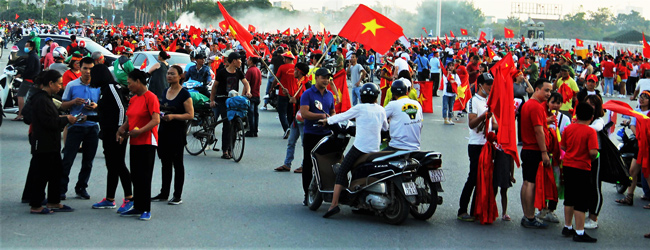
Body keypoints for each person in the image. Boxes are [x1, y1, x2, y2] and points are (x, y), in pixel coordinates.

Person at [321, 83, 388, 218]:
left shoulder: (360, 108)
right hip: (374, 150)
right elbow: (385, 128)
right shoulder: (381, 110)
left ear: (362, 96)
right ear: (376, 97)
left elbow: (342, 116)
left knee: (342, 171)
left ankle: (333, 205)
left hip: (360, 148)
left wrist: (327, 121)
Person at [27, 70, 77, 214]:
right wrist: (66, 119)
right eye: (59, 84)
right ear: (50, 83)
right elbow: (48, 122)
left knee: (56, 172)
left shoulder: (48, 98)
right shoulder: (40, 99)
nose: (61, 87)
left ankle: (54, 201)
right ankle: (36, 205)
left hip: (52, 143)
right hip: (43, 143)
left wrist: (64, 117)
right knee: (41, 174)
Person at [116, 70, 160, 221]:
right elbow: (130, 119)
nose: (128, 86)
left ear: (138, 82)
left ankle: (146, 209)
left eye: (130, 83)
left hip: (147, 141)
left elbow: (155, 120)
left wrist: (140, 131)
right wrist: (122, 128)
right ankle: (137, 206)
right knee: (135, 175)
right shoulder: (134, 99)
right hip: (134, 141)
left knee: (144, 176)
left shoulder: (151, 97)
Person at [89, 64, 133, 212]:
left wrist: (120, 130)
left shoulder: (111, 88)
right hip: (107, 133)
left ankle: (130, 198)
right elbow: (105, 114)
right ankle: (110, 199)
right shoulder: (103, 90)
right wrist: (88, 117)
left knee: (119, 164)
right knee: (111, 166)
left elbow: (121, 109)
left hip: (116, 133)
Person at [152, 65, 194, 205]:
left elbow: (190, 115)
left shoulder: (184, 94)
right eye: (168, 74)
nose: (169, 76)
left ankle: (177, 195)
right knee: (165, 163)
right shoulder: (165, 91)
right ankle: (164, 193)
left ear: (180, 76)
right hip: (163, 131)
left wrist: (174, 116)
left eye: (172, 74)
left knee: (177, 164)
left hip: (177, 132)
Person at [457, 73, 497, 222]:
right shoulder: (473, 100)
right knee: (473, 177)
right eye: (488, 85)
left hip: (488, 144)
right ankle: (462, 210)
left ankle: (475, 210)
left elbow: (493, 124)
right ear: (480, 85)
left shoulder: (489, 101)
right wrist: (485, 115)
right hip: (476, 144)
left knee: (485, 179)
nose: (490, 87)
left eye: (491, 84)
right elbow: (472, 123)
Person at [60, 57, 99, 200]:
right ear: (79, 68)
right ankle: (61, 188)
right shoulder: (71, 85)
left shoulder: (98, 86)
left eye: (91, 69)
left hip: (93, 127)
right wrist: (73, 102)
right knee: (68, 159)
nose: (88, 72)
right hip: (75, 126)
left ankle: (82, 187)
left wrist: (96, 106)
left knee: (88, 161)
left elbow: (103, 106)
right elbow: (63, 105)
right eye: (85, 68)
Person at [561, 102, 599, 243]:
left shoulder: (569, 128)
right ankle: (580, 231)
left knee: (569, 196)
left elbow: (563, 146)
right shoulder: (590, 131)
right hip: (582, 167)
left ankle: (567, 226)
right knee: (581, 200)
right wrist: (594, 156)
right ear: (591, 117)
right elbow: (593, 152)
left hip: (568, 165)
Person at [299, 68, 336, 206]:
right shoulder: (307, 94)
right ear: (317, 78)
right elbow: (304, 113)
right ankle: (307, 193)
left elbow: (333, 111)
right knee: (309, 164)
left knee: (327, 164)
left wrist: (331, 118)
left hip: (326, 134)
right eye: (323, 77)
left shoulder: (330, 95)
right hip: (311, 134)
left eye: (328, 78)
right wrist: (321, 116)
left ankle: (327, 192)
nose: (326, 80)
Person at [519, 79, 553, 229]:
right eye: (546, 90)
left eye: (550, 91)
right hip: (534, 149)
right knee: (531, 183)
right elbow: (539, 131)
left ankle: (527, 215)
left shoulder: (527, 105)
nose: (549, 94)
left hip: (527, 148)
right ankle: (531, 216)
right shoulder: (537, 107)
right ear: (537, 89)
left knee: (527, 183)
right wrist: (544, 152)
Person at [210, 51, 251, 159]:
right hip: (222, 100)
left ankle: (231, 148)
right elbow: (214, 87)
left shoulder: (239, 72)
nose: (241, 62)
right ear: (234, 61)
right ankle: (225, 150)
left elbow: (246, 83)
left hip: (233, 100)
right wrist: (212, 100)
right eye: (239, 60)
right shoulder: (222, 73)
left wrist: (248, 92)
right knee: (227, 124)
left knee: (236, 124)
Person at [615, 91, 650, 206]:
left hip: (648, 146)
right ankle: (629, 197)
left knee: (647, 173)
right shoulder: (637, 112)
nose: (642, 99)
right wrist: (639, 137)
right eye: (641, 97)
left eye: (645, 98)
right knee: (632, 171)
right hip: (639, 145)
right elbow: (632, 125)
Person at [582, 95, 605, 229]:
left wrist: (580, 126)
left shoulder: (598, 121)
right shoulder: (581, 120)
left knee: (595, 186)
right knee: (585, 185)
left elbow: (596, 128)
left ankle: (593, 217)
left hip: (595, 156)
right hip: (583, 156)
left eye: (592, 104)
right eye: (587, 103)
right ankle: (585, 212)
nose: (589, 106)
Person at [383, 80, 423, 151]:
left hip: (397, 147)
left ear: (393, 94)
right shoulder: (417, 104)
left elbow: (379, 117)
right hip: (415, 148)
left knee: (374, 160)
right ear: (407, 92)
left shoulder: (392, 105)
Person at [13, 40, 40, 121]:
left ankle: (20, 114)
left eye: (26, 46)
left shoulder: (32, 57)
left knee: (20, 95)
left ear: (31, 48)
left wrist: (21, 75)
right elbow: (24, 62)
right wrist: (14, 65)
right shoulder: (32, 55)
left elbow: (30, 69)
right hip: (32, 79)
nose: (25, 48)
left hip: (29, 79)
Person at [274, 51, 298, 138]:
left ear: (287, 59)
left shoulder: (282, 67)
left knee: (282, 113)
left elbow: (276, 78)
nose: (283, 60)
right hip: (294, 94)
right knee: (290, 113)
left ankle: (286, 128)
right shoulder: (296, 68)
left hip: (283, 93)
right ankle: (290, 129)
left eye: (284, 58)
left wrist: (271, 87)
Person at [245, 56, 262, 137]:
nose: (247, 60)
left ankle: (251, 131)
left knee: (251, 114)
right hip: (257, 94)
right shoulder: (258, 70)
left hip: (251, 95)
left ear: (251, 61)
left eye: (248, 59)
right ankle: (255, 130)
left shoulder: (250, 71)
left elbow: (246, 84)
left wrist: (243, 94)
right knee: (255, 113)